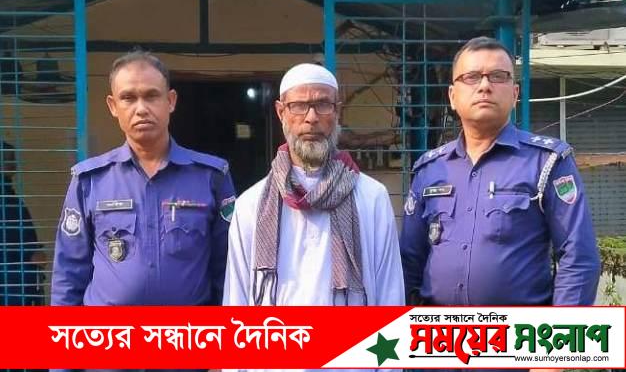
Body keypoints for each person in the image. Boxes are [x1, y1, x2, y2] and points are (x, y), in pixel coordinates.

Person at [400, 36, 601, 308]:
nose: (484, 86)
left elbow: (578, 257)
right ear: (452, 97)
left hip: (521, 332)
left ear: (515, 94)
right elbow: (409, 261)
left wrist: (558, 328)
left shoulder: (547, 162)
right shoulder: (430, 169)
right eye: (471, 77)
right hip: (437, 330)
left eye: (497, 76)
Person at [51, 50, 236, 307]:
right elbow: (69, 272)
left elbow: (227, 269)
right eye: (128, 98)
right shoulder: (89, 181)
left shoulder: (211, 177)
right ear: (113, 106)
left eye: (151, 96)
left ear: (170, 101)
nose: (141, 109)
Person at [223, 63, 404, 307]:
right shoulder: (250, 205)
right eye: (298, 106)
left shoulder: (372, 197)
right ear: (280, 112)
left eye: (323, 104)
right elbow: (236, 297)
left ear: (337, 111)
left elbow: (390, 291)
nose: (311, 118)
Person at [0, 140, 46, 306]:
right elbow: (36, 256)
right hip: (14, 287)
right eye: (10, 160)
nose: (14, 166)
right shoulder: (10, 204)